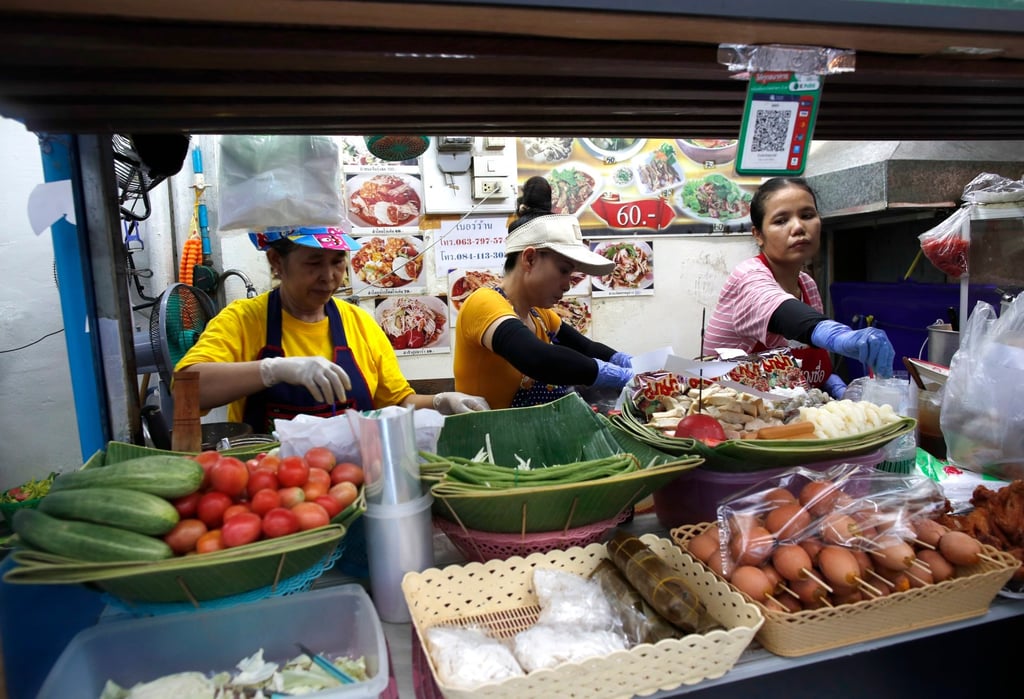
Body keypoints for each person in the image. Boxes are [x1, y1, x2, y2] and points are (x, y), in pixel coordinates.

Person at [174, 227, 489, 433]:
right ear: (276, 262)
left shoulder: (360, 323)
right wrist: (272, 370)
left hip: (354, 485)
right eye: (313, 263)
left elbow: (395, 402)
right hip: (272, 495)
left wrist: (440, 402)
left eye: (338, 262)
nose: (329, 276)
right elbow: (185, 392)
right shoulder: (244, 320)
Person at [703, 177, 895, 398]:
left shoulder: (807, 284)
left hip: (785, 414)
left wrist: (831, 384)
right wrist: (839, 337)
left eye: (807, 216)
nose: (798, 227)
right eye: (781, 221)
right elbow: (784, 312)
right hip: (732, 415)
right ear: (758, 235)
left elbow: (806, 359)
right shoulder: (747, 278)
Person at [454, 213, 634, 409]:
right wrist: (607, 374)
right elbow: (538, 358)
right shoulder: (483, 302)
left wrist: (627, 363)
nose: (567, 286)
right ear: (530, 259)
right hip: (486, 435)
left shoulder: (539, 314)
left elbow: (587, 348)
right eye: (563, 271)